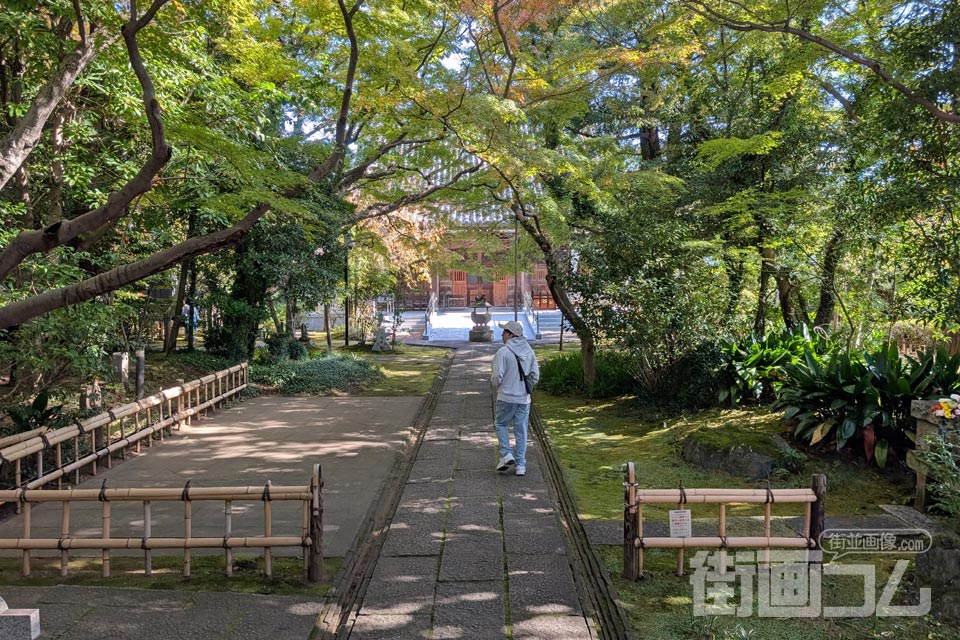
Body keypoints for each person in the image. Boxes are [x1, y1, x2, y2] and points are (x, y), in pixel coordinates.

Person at [490, 320, 539, 476]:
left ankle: (506, 453)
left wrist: (497, 386)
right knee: (521, 431)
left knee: (501, 424)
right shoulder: (529, 351)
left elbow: (497, 376)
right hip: (524, 399)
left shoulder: (503, 352)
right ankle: (521, 465)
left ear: (511, 335)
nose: (502, 335)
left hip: (506, 396)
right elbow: (535, 375)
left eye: (504, 332)